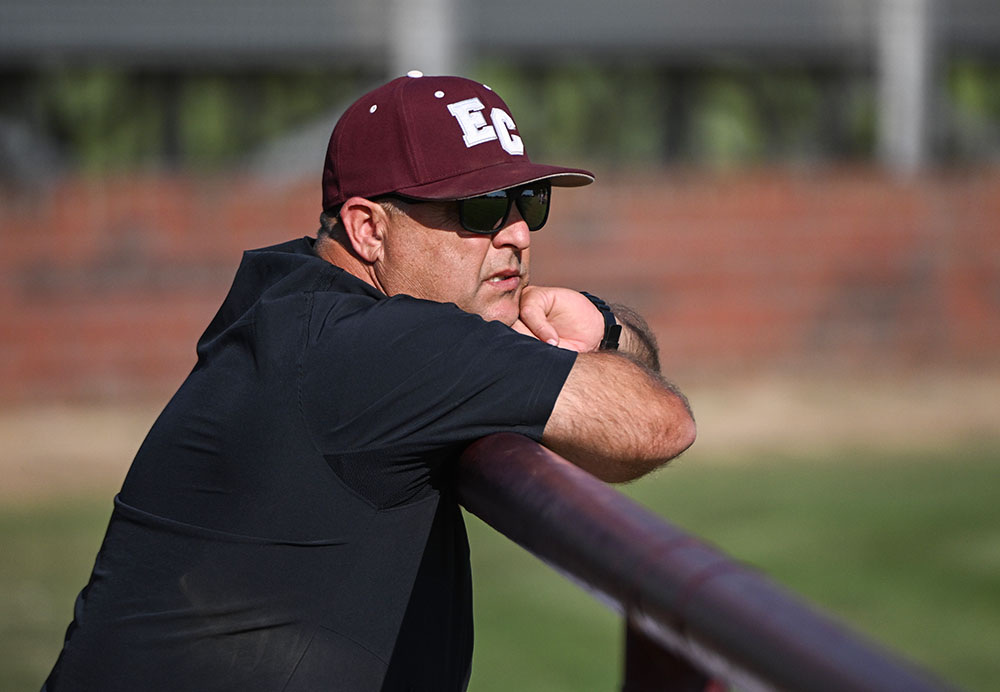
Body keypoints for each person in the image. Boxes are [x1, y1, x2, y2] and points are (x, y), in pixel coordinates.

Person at [43, 72, 695, 692]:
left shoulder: (296, 304)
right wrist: (608, 326)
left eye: (531, 202)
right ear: (367, 229)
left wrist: (601, 329)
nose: (518, 233)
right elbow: (658, 425)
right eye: (481, 208)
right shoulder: (377, 347)